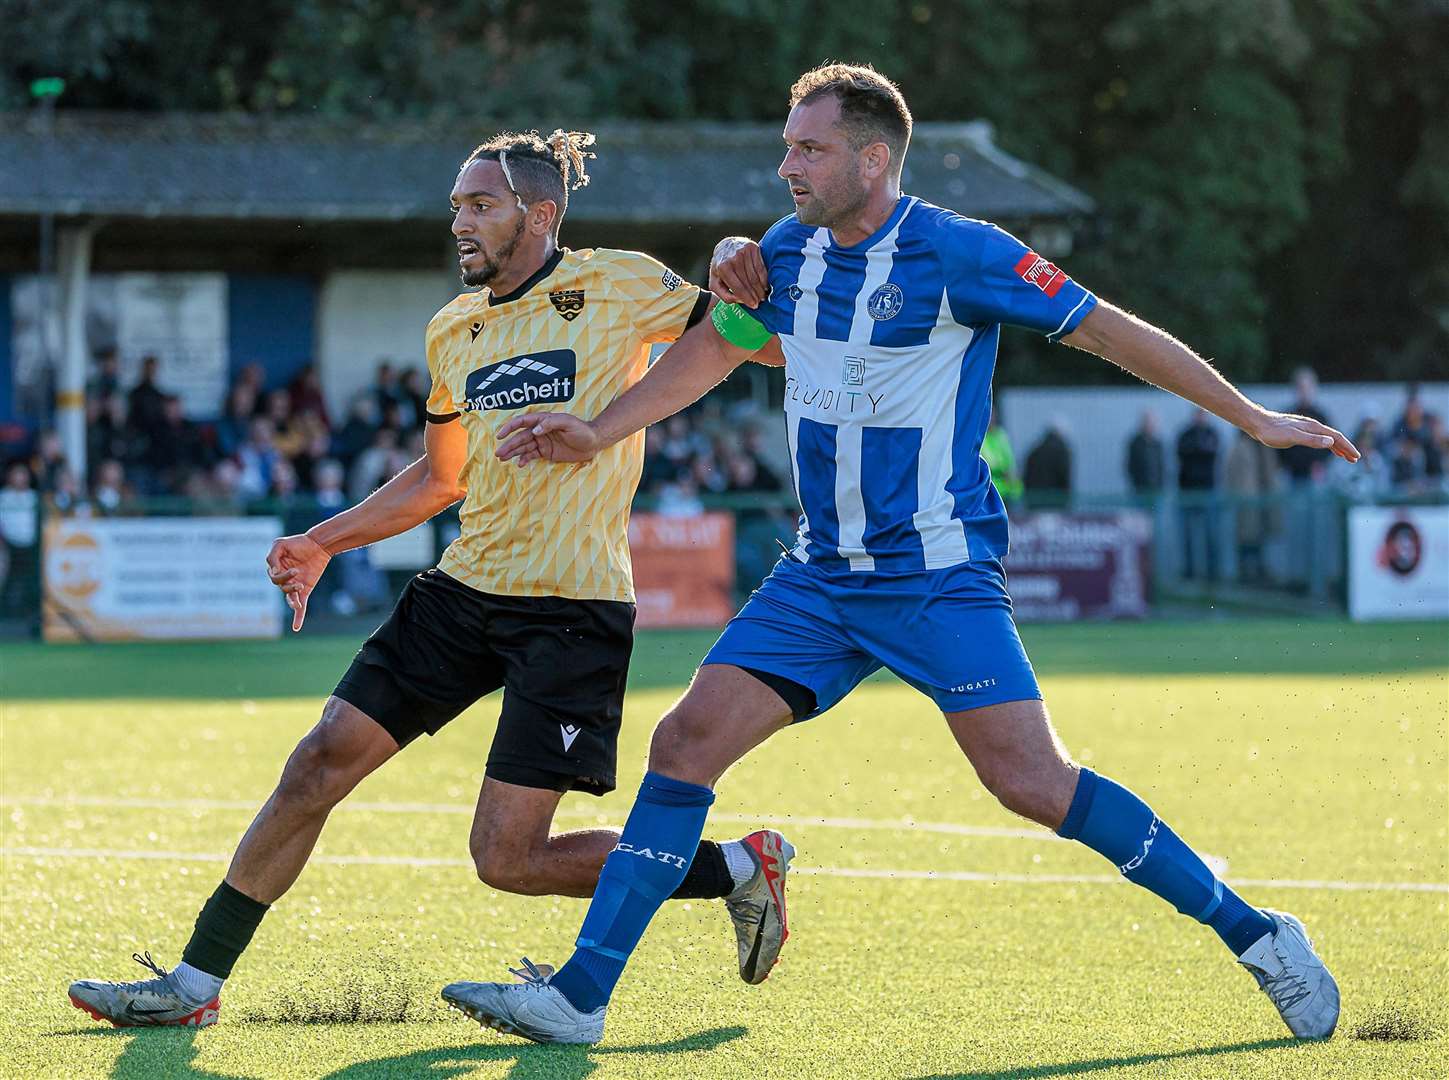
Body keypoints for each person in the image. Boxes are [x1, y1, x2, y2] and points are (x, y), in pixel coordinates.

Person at [465, 63, 1358, 1046]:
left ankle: (1260, 935)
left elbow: (1110, 333)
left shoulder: (959, 252)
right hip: (817, 579)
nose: (786, 164)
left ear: (874, 157)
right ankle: (582, 998)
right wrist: (599, 426)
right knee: (684, 744)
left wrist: (1250, 416)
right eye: (787, 144)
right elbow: (717, 348)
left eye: (808, 147)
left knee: (1032, 782)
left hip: (937, 579)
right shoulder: (783, 254)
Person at [67, 128, 794, 1030]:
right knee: (315, 764)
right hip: (459, 593)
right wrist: (326, 540)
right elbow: (440, 477)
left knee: (507, 860)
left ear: (540, 214)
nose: (460, 222)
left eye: (480, 205)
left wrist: (740, 269)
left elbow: (753, 346)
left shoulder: (618, 281)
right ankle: (193, 984)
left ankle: (730, 869)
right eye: (456, 205)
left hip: (571, 609)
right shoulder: (454, 328)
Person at [1224, 428, 1282, 583]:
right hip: (1247, 500)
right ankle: (1245, 575)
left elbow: (1272, 470)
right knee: (1246, 538)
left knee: (1263, 537)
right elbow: (1230, 473)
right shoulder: (1239, 446)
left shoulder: (1266, 446)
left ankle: (1262, 573)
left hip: (1266, 500)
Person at [1177, 409, 1220, 581]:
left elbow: (1210, 453)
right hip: (1188, 492)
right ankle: (1190, 572)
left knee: (1210, 534)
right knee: (1188, 536)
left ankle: (1211, 573)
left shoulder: (1212, 433)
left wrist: (1196, 450)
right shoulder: (1185, 434)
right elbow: (1183, 453)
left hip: (1207, 491)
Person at [1023, 420, 1072, 508]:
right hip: (1056, 501)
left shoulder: (1035, 450)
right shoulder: (1062, 450)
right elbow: (1064, 477)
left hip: (1034, 501)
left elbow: (1026, 476)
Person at [1126, 410, 1165, 496]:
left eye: (1152, 423)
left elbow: (1161, 465)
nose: (1150, 425)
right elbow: (1130, 466)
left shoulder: (1157, 443)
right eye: (1148, 422)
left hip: (1156, 488)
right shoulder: (1135, 443)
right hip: (1140, 488)